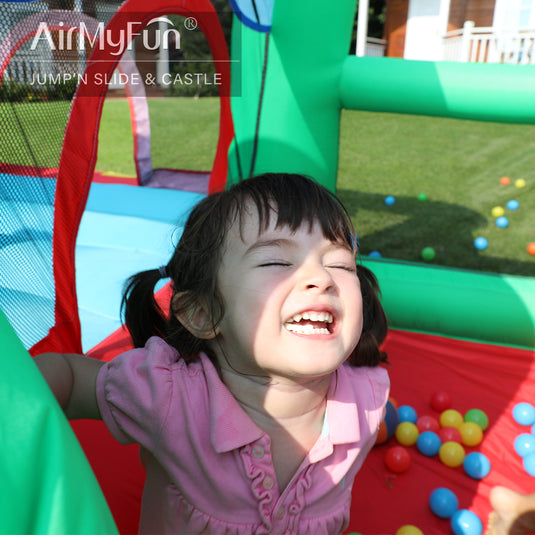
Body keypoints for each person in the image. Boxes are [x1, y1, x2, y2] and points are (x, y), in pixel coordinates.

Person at [35, 172, 390, 535]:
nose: (322, 278)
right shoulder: (170, 396)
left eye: (340, 264)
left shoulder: (367, 398)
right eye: (277, 262)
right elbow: (72, 376)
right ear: (204, 315)